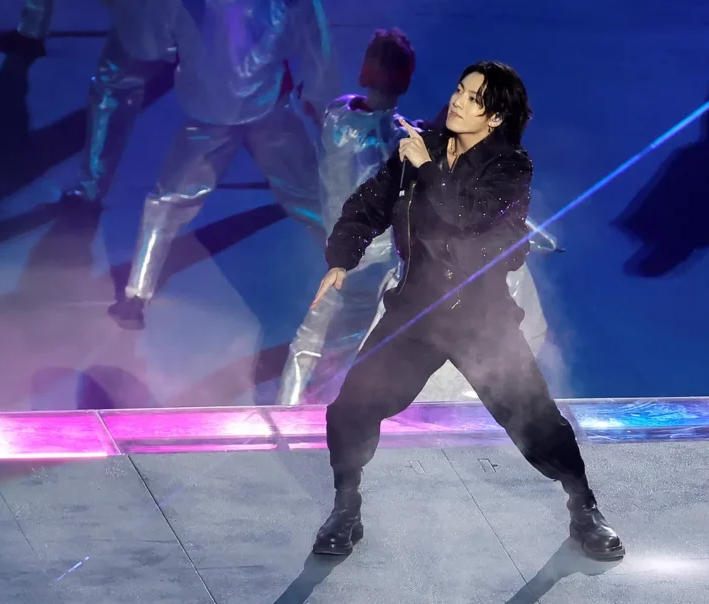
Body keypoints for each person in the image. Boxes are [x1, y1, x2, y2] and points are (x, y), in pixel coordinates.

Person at [310, 61, 624, 561]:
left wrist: (425, 169)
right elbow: (368, 204)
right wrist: (342, 258)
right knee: (352, 408)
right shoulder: (425, 147)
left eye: (474, 98)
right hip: (416, 314)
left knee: (537, 422)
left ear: (495, 118)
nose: (458, 100)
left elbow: (468, 217)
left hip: (480, 320)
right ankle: (345, 507)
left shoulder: (510, 167)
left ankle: (583, 506)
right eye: (460, 89)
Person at [106, 0, 340, 330]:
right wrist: (320, 97)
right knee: (307, 194)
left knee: (168, 200)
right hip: (268, 105)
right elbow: (313, 38)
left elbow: (156, 42)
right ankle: (351, 265)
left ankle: (136, 293)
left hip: (209, 108)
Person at [275, 28, 416, 407]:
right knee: (358, 344)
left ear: (366, 70)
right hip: (380, 263)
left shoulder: (336, 114)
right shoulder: (397, 138)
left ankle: (290, 410)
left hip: (339, 252)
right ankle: (317, 412)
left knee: (312, 339)